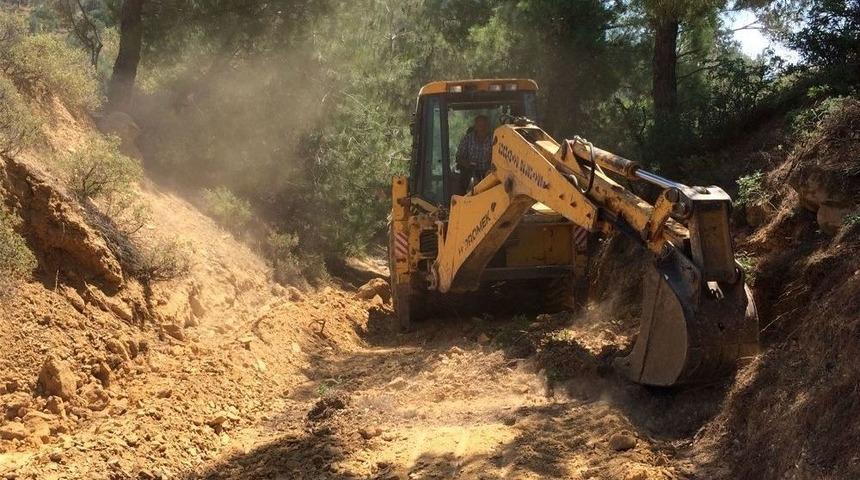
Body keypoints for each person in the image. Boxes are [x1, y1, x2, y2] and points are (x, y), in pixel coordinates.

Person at [455, 115, 493, 186]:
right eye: (479, 126)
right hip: (470, 173)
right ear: (475, 127)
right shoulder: (467, 139)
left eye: (484, 126)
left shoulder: (494, 139)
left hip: (490, 173)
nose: (482, 128)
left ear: (488, 127)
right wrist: (468, 165)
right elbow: (459, 157)